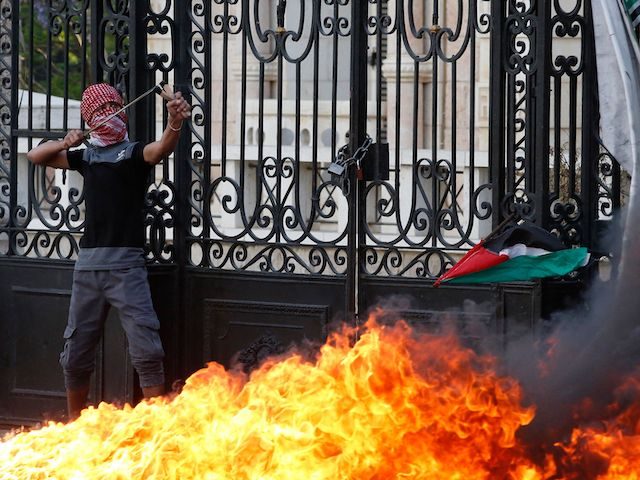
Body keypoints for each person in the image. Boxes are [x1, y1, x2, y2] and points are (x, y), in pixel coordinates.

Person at [26, 83, 191, 420]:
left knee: (147, 352)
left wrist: (174, 122)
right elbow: (35, 156)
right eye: (98, 112)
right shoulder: (84, 156)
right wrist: (66, 141)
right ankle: (75, 427)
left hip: (127, 269)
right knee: (75, 355)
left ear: (122, 110)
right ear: (88, 118)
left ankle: (156, 429)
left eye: (111, 108)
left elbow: (159, 150)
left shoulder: (132, 153)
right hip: (87, 269)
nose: (106, 117)